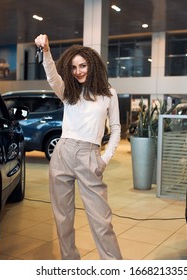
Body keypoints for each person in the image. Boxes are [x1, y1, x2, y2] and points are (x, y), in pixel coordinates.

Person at [34, 34, 122, 260]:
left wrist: (104, 159)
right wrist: (46, 52)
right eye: (73, 67)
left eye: (83, 66)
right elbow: (53, 77)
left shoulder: (108, 94)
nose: (78, 71)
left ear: (92, 65)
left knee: (101, 220)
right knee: (63, 219)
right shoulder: (68, 92)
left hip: (89, 155)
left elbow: (116, 128)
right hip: (62, 153)